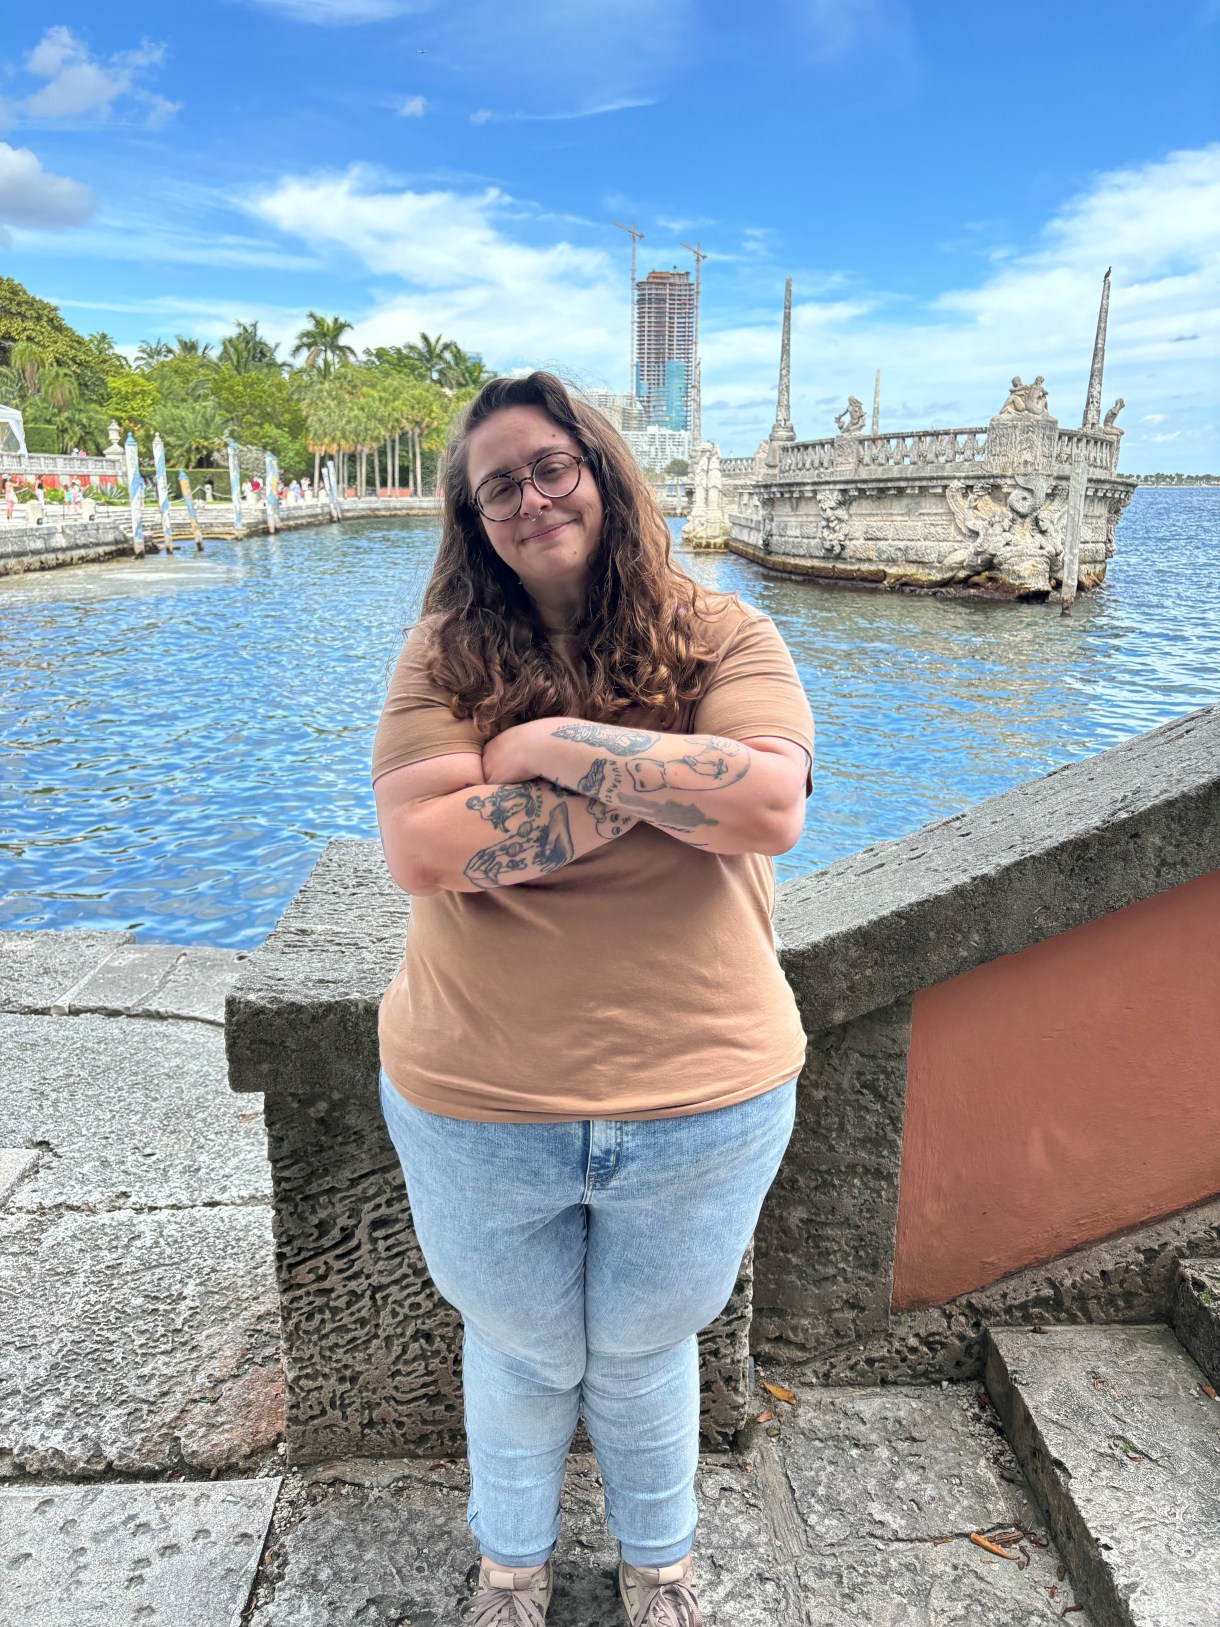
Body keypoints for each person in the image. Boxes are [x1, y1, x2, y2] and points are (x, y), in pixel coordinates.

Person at [371, 372, 814, 1627]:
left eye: (550, 465)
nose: (528, 496)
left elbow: (766, 805)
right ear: (473, 518)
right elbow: (422, 849)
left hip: (704, 1095)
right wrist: (671, 788)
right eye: (496, 484)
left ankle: (656, 1568)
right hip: (476, 1097)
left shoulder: (722, 633)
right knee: (521, 1351)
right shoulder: (439, 653)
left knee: (640, 1350)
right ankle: (509, 1568)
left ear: (602, 473)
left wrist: (545, 746)